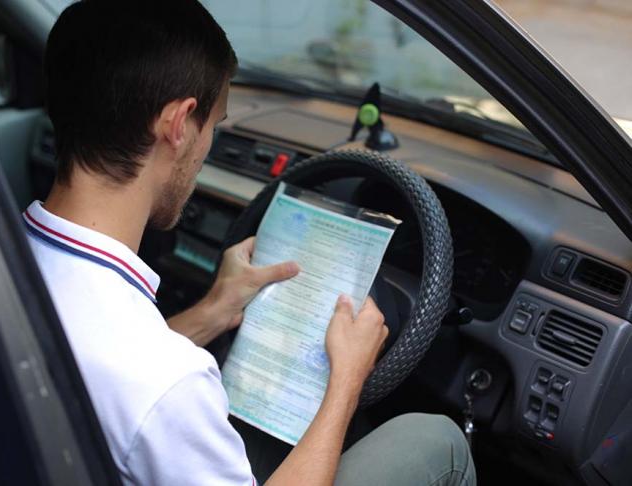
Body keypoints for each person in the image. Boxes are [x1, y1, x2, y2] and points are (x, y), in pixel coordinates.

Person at [25, 1, 477, 485]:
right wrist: (347, 379)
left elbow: (98, 376)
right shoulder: (167, 382)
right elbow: (148, 387)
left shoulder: (0, 251)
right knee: (437, 440)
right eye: (214, 127)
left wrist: (212, 310)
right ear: (178, 125)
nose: (206, 149)